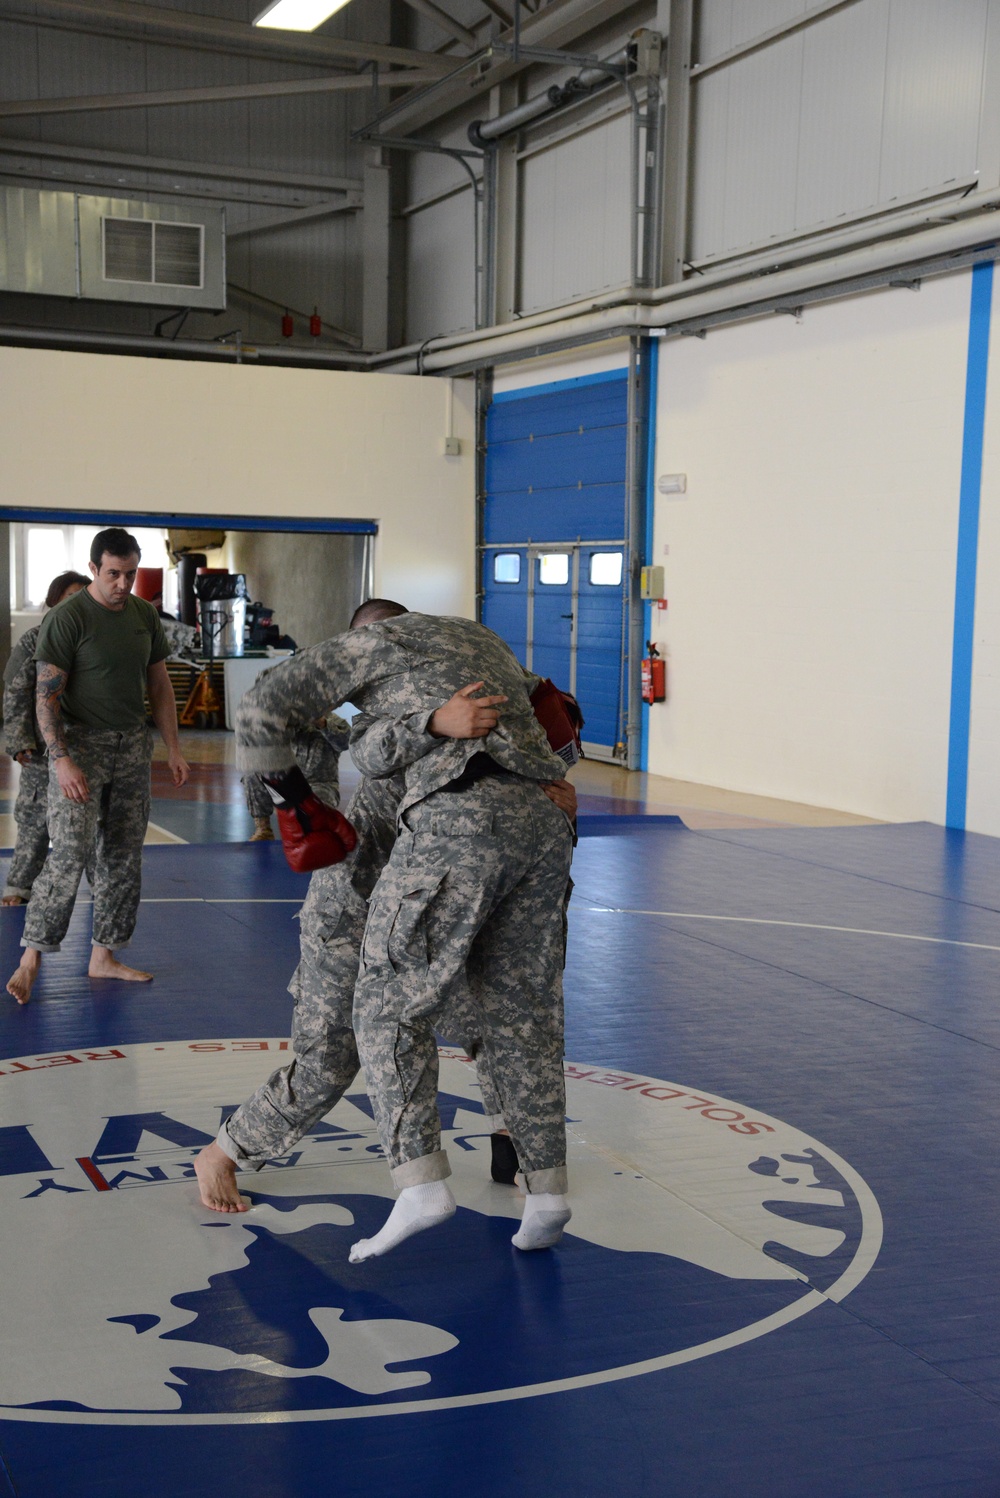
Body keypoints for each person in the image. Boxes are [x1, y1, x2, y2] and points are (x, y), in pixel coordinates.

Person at [232, 601, 575, 1262]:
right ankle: (547, 1193)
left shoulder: (365, 653)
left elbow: (259, 708)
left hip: (462, 827)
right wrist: (558, 782)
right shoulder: (475, 641)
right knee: (524, 1017)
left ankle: (419, 1183)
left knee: (383, 1009)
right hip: (542, 828)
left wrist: (293, 803)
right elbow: (554, 714)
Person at [5, 528, 190, 1005]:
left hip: (131, 747)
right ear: (93, 569)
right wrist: (61, 760)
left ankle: (104, 956)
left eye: (130, 574)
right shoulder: (68, 619)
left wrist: (172, 746)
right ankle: (30, 959)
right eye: (113, 574)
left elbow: (160, 685)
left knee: (124, 856)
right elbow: (45, 697)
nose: (122, 584)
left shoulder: (144, 616)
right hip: (80, 747)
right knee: (68, 853)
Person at [2, 571, 89, 905]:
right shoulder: (34, 640)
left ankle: (98, 886)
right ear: (53, 602)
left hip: (87, 745)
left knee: (90, 821)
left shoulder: (94, 641)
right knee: (35, 817)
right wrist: (19, 739)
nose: (76, 604)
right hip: (43, 748)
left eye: (82, 597)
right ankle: (20, 886)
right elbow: (16, 691)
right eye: (69, 598)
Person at [244, 714, 350, 842]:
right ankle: (263, 830)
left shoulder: (334, 721)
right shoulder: (286, 720)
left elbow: (346, 743)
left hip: (320, 785)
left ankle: (316, 834)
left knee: (316, 817)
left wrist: (322, 724)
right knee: (253, 774)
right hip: (288, 783)